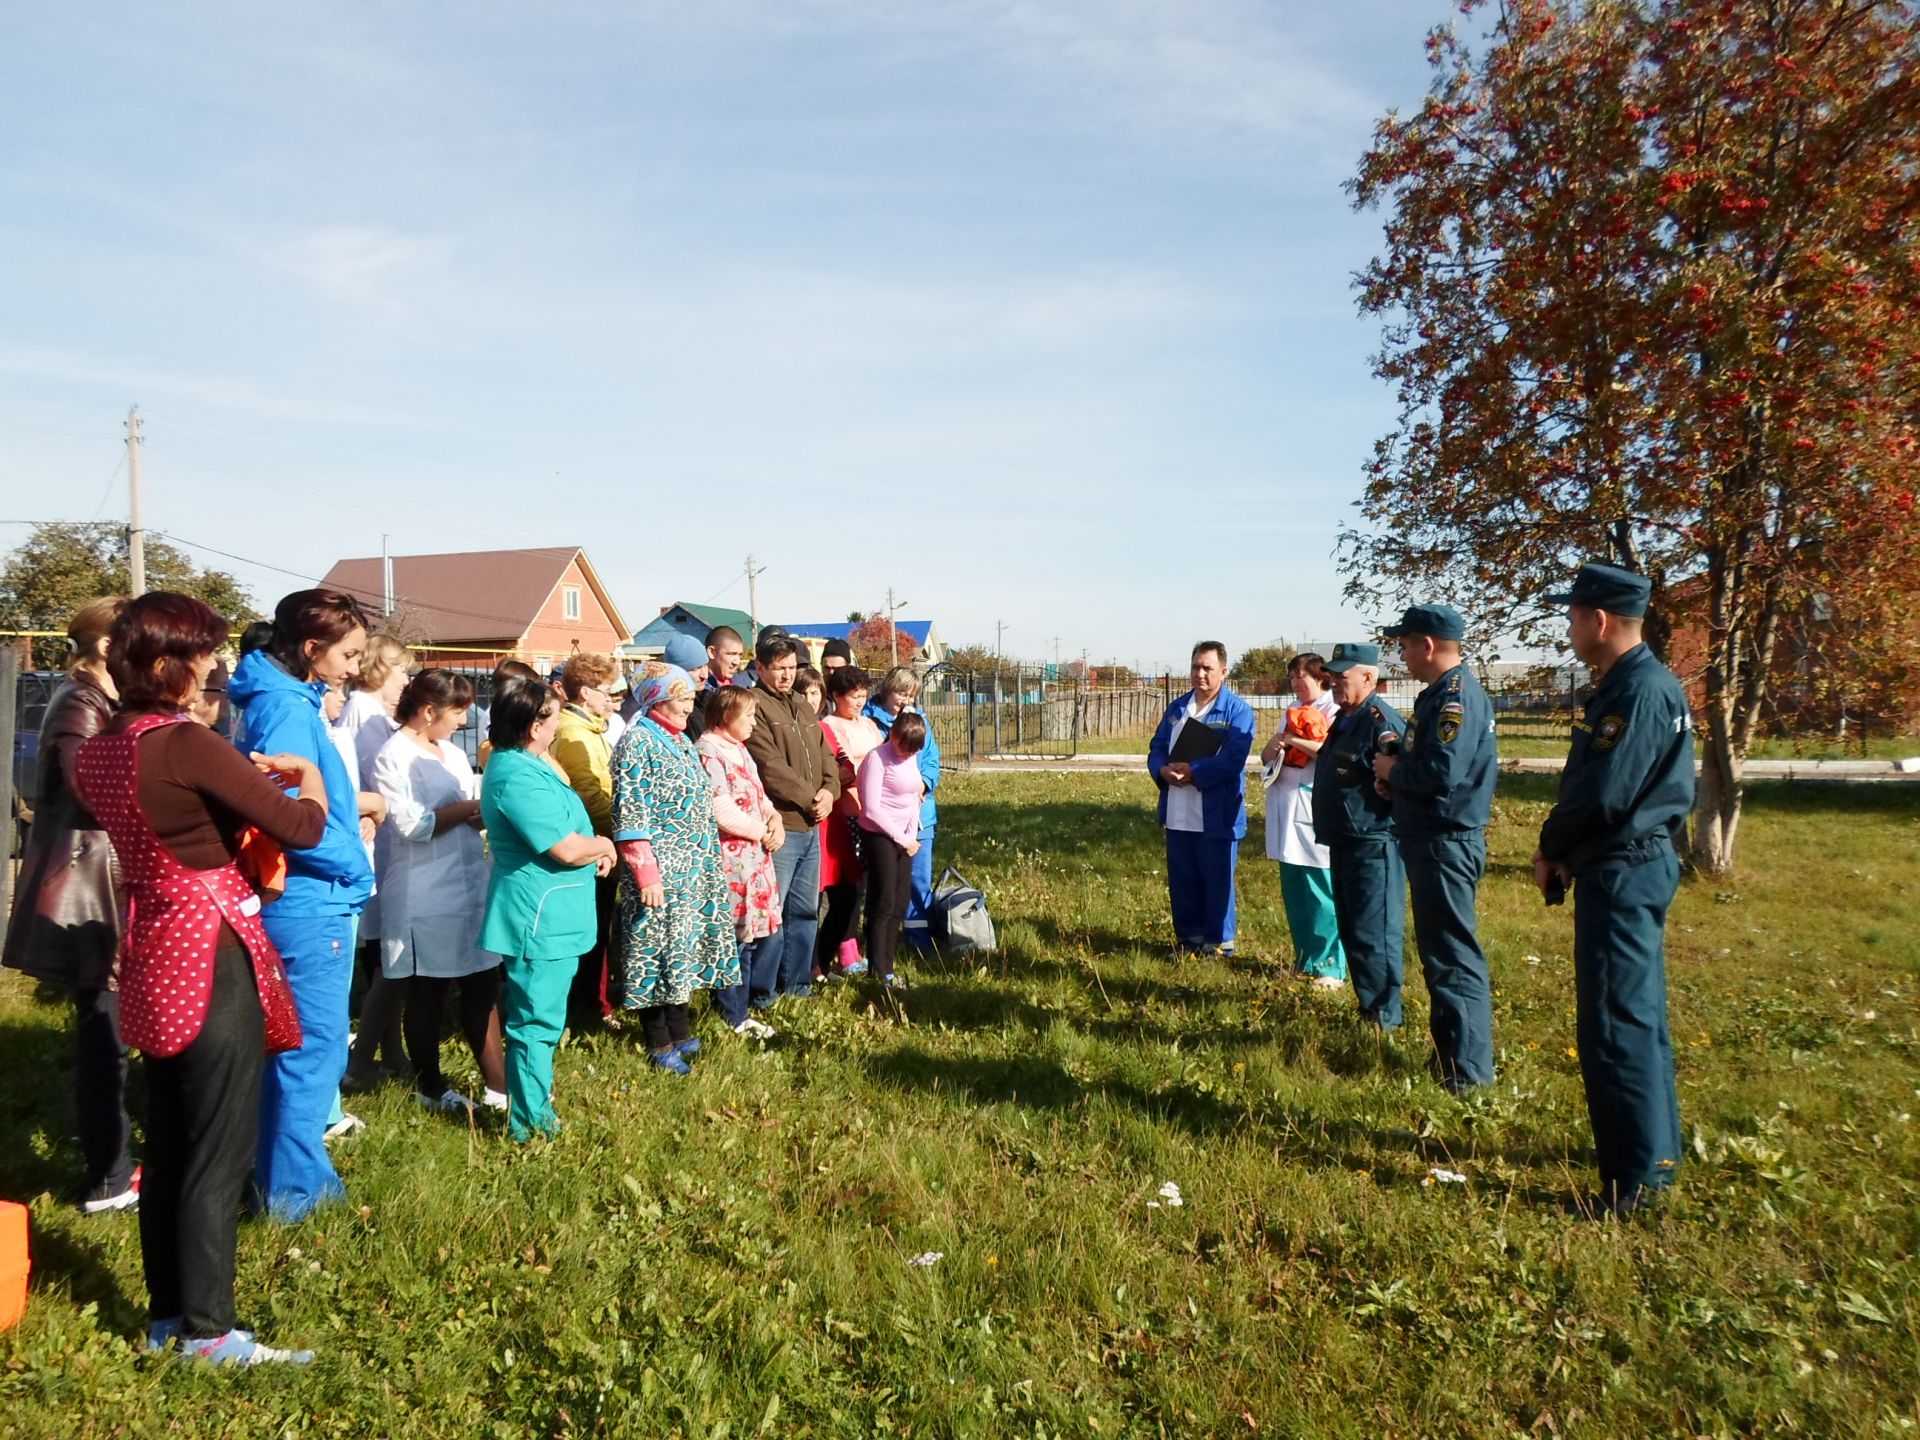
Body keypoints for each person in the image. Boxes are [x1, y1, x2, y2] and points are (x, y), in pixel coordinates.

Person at [72, 591, 327, 1365]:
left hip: (151, 937)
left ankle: (165, 1318)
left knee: (174, 1141)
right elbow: (303, 828)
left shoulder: (102, 748)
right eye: (204, 654)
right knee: (219, 1148)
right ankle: (211, 1331)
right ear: (165, 665)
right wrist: (306, 771)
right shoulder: (186, 743)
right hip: (211, 946)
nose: (216, 667)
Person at [1535, 562, 1695, 1217]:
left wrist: (1552, 845)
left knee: (1614, 1021)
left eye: (1573, 616)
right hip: (1628, 862)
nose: (1569, 628)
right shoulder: (1637, 684)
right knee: (1636, 1014)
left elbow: (1604, 793)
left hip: (1623, 870)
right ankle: (1655, 1156)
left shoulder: (1636, 691)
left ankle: (1636, 1181)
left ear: (1599, 620)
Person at [227, 588, 377, 1222]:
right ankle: (296, 1195)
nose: (354, 668)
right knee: (311, 1048)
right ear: (312, 649)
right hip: (313, 900)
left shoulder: (285, 699)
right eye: (348, 654)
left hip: (307, 894)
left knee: (291, 1046)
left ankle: (275, 1173)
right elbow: (280, 818)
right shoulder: (287, 711)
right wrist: (350, 862)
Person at [2, 596, 137, 1213]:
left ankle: (120, 1162)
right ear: (106, 646)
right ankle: (109, 1177)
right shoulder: (79, 704)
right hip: (86, 894)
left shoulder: (105, 703)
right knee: (102, 1034)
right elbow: (93, 788)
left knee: (114, 1031)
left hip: (107, 885)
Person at [478, 679, 617, 1142]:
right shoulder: (515, 774)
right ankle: (529, 1122)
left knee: (544, 1017)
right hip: (537, 915)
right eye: (553, 716)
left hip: (556, 911)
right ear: (532, 723)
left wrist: (594, 849)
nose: (558, 723)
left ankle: (536, 1105)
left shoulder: (533, 761)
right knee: (534, 1022)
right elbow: (563, 847)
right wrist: (602, 844)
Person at [1374, 604, 1499, 1092]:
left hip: (1445, 842)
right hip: (1430, 838)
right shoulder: (1439, 696)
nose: (1402, 654)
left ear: (1427, 645)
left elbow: (1441, 773)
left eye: (1405, 644)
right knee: (1438, 954)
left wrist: (1392, 775)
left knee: (1452, 954)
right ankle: (1451, 1056)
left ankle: (1468, 1073)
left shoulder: (1456, 699)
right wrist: (1398, 779)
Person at [370, 670, 505, 1114]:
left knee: (483, 979)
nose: (464, 721)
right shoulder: (393, 755)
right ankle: (430, 1085)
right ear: (429, 711)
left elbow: (463, 806)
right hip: (424, 890)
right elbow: (410, 824)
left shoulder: (448, 752)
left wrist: (480, 814)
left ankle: (498, 1085)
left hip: (467, 880)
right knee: (428, 988)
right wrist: (467, 809)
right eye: (458, 711)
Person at [609, 663, 739, 1071]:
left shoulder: (678, 738)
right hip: (660, 872)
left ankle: (680, 1030)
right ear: (658, 698)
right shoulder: (638, 742)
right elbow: (631, 813)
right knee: (654, 952)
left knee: (679, 950)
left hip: (692, 867)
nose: (690, 705)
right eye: (682, 697)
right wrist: (645, 873)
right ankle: (658, 1042)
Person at [1312, 645, 1408, 1028]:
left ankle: (1384, 1018)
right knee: (1353, 929)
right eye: (1331, 675)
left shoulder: (1379, 722)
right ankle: (1368, 1007)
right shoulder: (1345, 718)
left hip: (1373, 843)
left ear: (1368, 678)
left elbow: (1398, 781)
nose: (1334, 681)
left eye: (1342, 675)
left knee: (1375, 934)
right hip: (1345, 839)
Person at [1146, 642, 1256, 957]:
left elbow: (1233, 758)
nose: (1200, 674)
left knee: (1217, 878)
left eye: (1207, 668)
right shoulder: (1178, 708)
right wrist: (1161, 770)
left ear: (1223, 671)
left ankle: (1218, 943)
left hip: (1216, 813)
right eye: (1196, 667)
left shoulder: (1238, 711)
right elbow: (1157, 746)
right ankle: (1188, 939)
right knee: (1183, 877)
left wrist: (1194, 772)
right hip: (1179, 810)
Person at [745, 637, 839, 1003]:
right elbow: (769, 765)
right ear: (761, 667)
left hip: (812, 823)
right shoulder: (756, 706)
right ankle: (763, 992)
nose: (786, 675)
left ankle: (797, 984)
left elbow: (826, 754)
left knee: (804, 911)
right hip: (782, 825)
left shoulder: (802, 705)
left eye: (791, 668)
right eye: (779, 668)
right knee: (773, 913)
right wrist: (809, 798)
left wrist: (829, 791)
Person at [338, 634, 412, 1093]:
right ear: (380, 670)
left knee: (390, 955)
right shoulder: (364, 714)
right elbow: (374, 783)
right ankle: (375, 1052)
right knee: (387, 954)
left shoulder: (374, 713)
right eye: (402, 671)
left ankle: (389, 1048)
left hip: (383, 845)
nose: (406, 680)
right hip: (377, 847)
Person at [694, 686, 782, 1037]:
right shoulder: (708, 751)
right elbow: (721, 809)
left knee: (747, 938)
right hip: (731, 860)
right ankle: (731, 1014)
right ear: (726, 716)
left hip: (753, 857)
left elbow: (760, 797)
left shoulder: (740, 750)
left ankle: (739, 1010)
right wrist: (761, 831)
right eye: (748, 715)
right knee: (733, 941)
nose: (753, 722)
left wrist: (774, 820)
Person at [1259, 653, 1346, 989]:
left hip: (1312, 810)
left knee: (1319, 889)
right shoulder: (1291, 711)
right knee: (1295, 888)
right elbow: (1270, 756)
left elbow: (1328, 753)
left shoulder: (1332, 710)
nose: (1297, 683)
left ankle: (1330, 965)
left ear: (1320, 678)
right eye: (1292, 677)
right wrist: (1272, 746)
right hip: (1285, 806)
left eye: (1302, 677)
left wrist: (1295, 740)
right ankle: (1305, 959)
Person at [551, 652, 621, 1032]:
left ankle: (593, 1003)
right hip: (593, 843)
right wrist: (620, 831)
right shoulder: (574, 733)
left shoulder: (590, 729)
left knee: (599, 925)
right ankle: (589, 1008)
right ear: (584, 693)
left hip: (600, 840)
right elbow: (591, 794)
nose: (610, 699)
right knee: (592, 930)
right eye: (605, 691)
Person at [862, 667, 943, 956]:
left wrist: (924, 782)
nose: (904, 700)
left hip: (920, 815)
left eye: (910, 695)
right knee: (883, 885)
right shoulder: (868, 719)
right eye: (900, 692)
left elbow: (932, 759)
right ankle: (881, 943)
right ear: (886, 689)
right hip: (882, 819)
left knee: (919, 878)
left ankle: (918, 936)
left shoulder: (919, 720)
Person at [856, 711, 930, 989]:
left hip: (904, 838)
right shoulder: (877, 758)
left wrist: (911, 835)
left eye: (913, 751)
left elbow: (914, 796)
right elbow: (871, 809)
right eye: (904, 747)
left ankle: (889, 964)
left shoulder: (910, 756)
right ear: (893, 736)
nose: (907, 754)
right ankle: (879, 970)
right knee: (883, 901)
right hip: (879, 834)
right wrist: (901, 837)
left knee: (899, 903)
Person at [819, 666, 883, 977]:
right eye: (852, 696)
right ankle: (845, 952)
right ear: (835, 696)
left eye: (862, 696)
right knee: (851, 888)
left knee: (868, 884)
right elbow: (842, 769)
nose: (859, 702)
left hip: (874, 811)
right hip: (848, 812)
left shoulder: (869, 725)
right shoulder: (829, 726)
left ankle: (858, 946)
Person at [705, 625, 747, 690]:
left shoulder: (743, 685)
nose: (737, 662)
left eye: (740, 655)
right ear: (712, 652)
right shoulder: (699, 688)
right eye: (731, 654)